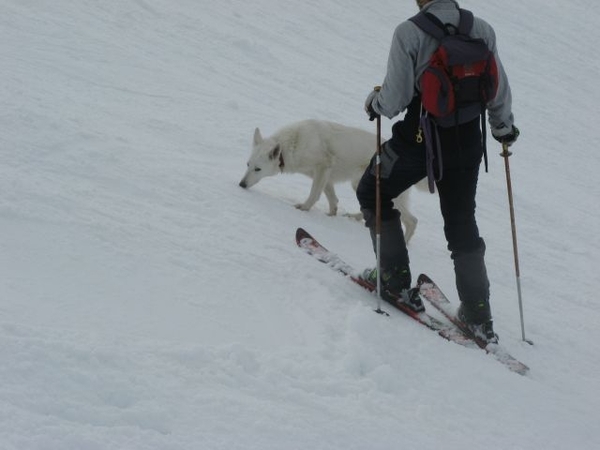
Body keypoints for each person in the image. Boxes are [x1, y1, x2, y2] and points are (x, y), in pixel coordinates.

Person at [357, 0, 519, 343]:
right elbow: (498, 89)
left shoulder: (409, 32)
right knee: (462, 222)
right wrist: (503, 130)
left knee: (372, 189)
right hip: (466, 144)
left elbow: (395, 98)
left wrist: (375, 102)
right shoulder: (481, 29)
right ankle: (478, 313)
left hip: (417, 142)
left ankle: (394, 279)